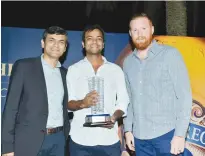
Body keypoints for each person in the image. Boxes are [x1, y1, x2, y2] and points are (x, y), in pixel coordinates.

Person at [123, 13, 192, 156]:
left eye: (143, 28)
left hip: (167, 135)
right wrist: (128, 130)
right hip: (140, 139)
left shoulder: (170, 55)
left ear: (152, 30)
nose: (139, 34)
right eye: (135, 30)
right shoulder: (128, 63)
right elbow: (129, 101)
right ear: (130, 33)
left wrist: (180, 135)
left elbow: (184, 97)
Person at [1, 26, 70, 156]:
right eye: (52, 40)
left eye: (61, 42)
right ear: (43, 43)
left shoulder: (65, 74)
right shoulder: (24, 67)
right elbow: (10, 109)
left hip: (58, 141)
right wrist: (7, 147)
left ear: (65, 47)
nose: (56, 45)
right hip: (28, 141)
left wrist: (64, 136)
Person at [66, 24, 129, 156]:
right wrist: (82, 103)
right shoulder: (73, 70)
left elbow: (123, 102)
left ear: (103, 44)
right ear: (83, 44)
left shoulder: (115, 70)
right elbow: (67, 103)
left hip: (108, 140)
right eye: (90, 38)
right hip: (80, 140)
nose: (94, 41)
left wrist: (113, 117)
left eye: (98, 38)